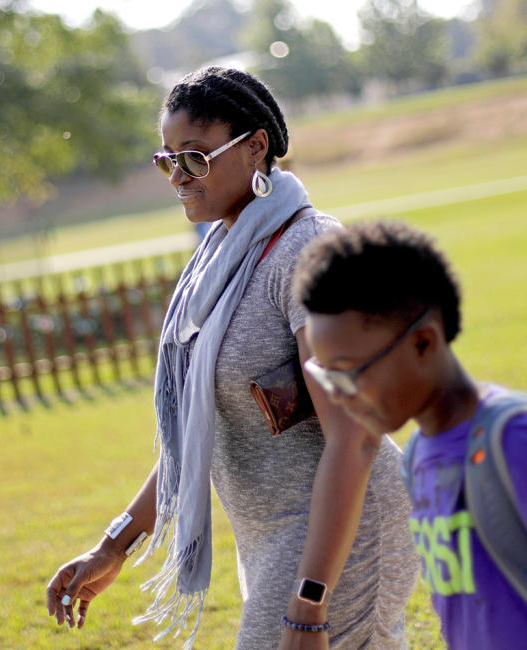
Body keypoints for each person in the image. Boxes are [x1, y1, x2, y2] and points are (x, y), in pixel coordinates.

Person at [45, 68, 416, 649]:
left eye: (194, 157)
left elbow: (357, 437)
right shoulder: (220, 259)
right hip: (274, 538)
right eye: (167, 161)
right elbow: (194, 431)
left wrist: (309, 599)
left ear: (255, 146)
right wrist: (113, 545)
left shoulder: (309, 251)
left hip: (342, 534)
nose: (179, 178)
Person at [292, 221, 527, 650]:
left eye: (349, 374)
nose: (338, 397)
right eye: (325, 377)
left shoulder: (518, 442)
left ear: (423, 343)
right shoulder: (419, 454)